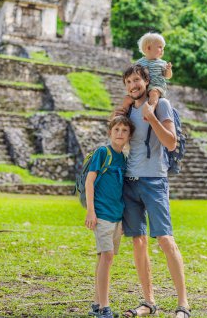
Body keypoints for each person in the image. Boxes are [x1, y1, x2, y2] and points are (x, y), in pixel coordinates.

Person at [116, 64, 191, 318]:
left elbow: (171, 142)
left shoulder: (161, 105)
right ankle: (148, 302)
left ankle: (183, 304)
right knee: (138, 242)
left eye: (136, 80)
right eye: (128, 82)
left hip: (155, 180)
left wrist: (152, 117)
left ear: (146, 81)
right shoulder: (128, 109)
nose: (132, 85)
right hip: (130, 181)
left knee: (165, 240)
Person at [85, 116, 135, 318]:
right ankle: (105, 307)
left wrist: (122, 219)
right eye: (117, 129)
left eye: (124, 130)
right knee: (106, 257)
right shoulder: (102, 152)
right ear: (110, 132)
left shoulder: (123, 158)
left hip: (116, 216)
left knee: (104, 258)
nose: (120, 133)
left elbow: (121, 189)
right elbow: (90, 182)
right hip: (102, 214)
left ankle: (96, 304)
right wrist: (91, 211)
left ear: (129, 135)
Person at [122, 32, 172, 113]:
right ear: (148, 48)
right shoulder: (139, 63)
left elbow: (167, 76)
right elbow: (133, 74)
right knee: (127, 98)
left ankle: (151, 109)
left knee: (153, 93)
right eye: (160, 47)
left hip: (157, 86)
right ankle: (122, 114)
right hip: (142, 88)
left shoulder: (162, 63)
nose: (162, 50)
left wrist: (168, 70)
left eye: (163, 48)